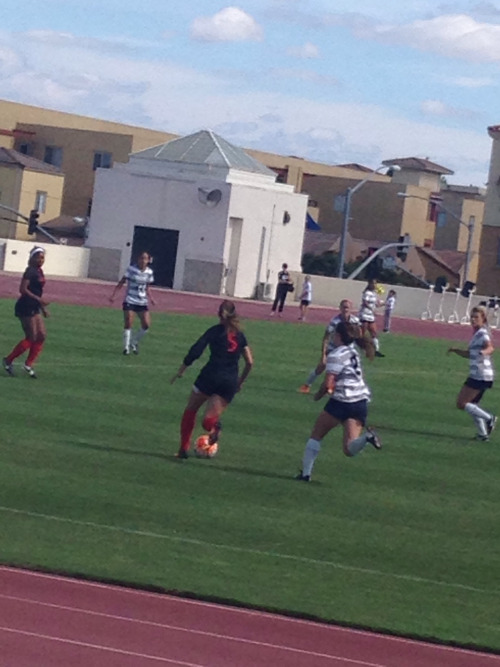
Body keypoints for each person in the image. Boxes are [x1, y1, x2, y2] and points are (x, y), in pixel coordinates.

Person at [295, 321, 381, 482]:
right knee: (349, 448)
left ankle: (305, 474)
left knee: (316, 434)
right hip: (360, 401)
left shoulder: (335, 355)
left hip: (342, 401)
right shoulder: (353, 352)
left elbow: (328, 383)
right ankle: (367, 438)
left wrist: (318, 395)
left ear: (339, 336)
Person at [171, 300, 253, 459]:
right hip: (229, 381)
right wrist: (240, 382)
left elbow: (196, 350)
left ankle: (183, 449)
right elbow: (249, 362)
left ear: (218, 314)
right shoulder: (240, 336)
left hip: (209, 376)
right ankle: (214, 427)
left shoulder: (214, 331)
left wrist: (182, 369)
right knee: (208, 420)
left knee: (191, 410)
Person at [447, 305, 497, 441]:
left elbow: (490, 347)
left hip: (480, 374)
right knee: (473, 405)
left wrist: (484, 352)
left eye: (476, 317)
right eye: (472, 317)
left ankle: (489, 418)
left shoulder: (482, 333)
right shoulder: (477, 333)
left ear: (483, 319)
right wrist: (456, 350)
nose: (473, 319)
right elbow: (469, 354)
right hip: (480, 374)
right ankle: (482, 434)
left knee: (461, 403)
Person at [2, 246, 49, 378]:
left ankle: (28, 364)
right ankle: (8, 360)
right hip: (25, 306)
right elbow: (23, 289)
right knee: (31, 337)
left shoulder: (39, 271)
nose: (41, 260)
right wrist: (39, 300)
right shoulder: (30, 271)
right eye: (38, 257)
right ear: (32, 258)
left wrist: (43, 307)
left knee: (41, 335)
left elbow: (38, 291)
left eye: (42, 258)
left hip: (34, 306)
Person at [298, 299, 359, 393]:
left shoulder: (355, 321)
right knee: (321, 366)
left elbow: (358, 334)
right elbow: (326, 338)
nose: (345, 310)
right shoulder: (335, 321)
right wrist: (323, 355)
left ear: (351, 309)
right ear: (340, 308)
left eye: (347, 307)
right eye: (343, 307)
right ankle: (307, 385)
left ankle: (336, 387)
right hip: (334, 348)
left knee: (346, 369)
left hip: (348, 349)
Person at [109, 251, 155, 355]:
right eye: (141, 258)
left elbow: (147, 287)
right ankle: (126, 348)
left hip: (142, 301)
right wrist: (114, 295)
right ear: (138, 259)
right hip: (130, 299)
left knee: (146, 324)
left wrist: (151, 298)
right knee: (129, 321)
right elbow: (122, 282)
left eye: (145, 259)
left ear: (148, 260)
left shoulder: (149, 272)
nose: (143, 261)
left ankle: (134, 342)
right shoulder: (131, 269)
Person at [359, 278, 384, 357]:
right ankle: (361, 348)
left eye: (375, 283)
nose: (374, 285)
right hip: (365, 314)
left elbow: (375, 304)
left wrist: (383, 304)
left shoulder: (374, 293)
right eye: (373, 283)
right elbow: (365, 302)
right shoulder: (367, 293)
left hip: (371, 315)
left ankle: (376, 350)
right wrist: (371, 309)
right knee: (362, 332)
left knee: (374, 332)